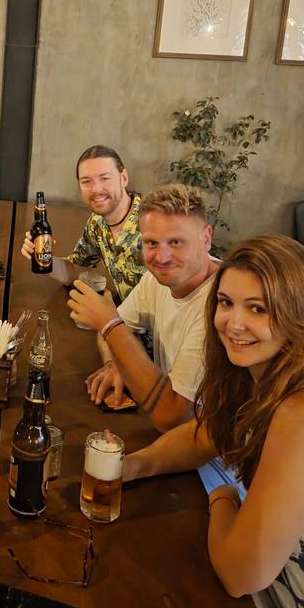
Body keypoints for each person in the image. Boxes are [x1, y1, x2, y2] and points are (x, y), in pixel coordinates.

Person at [122, 235, 304, 608]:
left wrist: (223, 498)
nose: (233, 323)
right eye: (226, 302)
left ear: (298, 314)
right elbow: (206, 435)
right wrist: (134, 465)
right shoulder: (261, 377)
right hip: (286, 595)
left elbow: (239, 575)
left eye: (258, 308)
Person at [69, 184, 218, 431]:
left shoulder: (222, 306)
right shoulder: (155, 281)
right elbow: (117, 330)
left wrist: (109, 325)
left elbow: (171, 418)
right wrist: (116, 363)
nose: (162, 257)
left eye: (176, 242)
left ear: (206, 238)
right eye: (151, 243)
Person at [21, 145, 144, 301]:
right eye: (86, 181)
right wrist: (43, 257)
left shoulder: (151, 222)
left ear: (123, 178)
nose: (96, 189)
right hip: (124, 313)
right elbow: (74, 270)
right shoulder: (97, 222)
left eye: (105, 178)